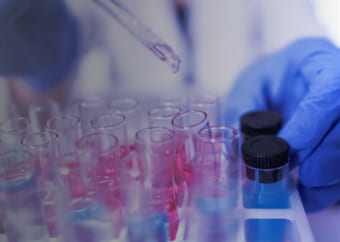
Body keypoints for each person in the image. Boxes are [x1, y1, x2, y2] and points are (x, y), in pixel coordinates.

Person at [1, 0, 339, 215]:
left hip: (241, 176)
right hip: (138, 188)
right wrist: (42, 70)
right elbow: (43, 115)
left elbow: (301, 39)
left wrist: (316, 94)